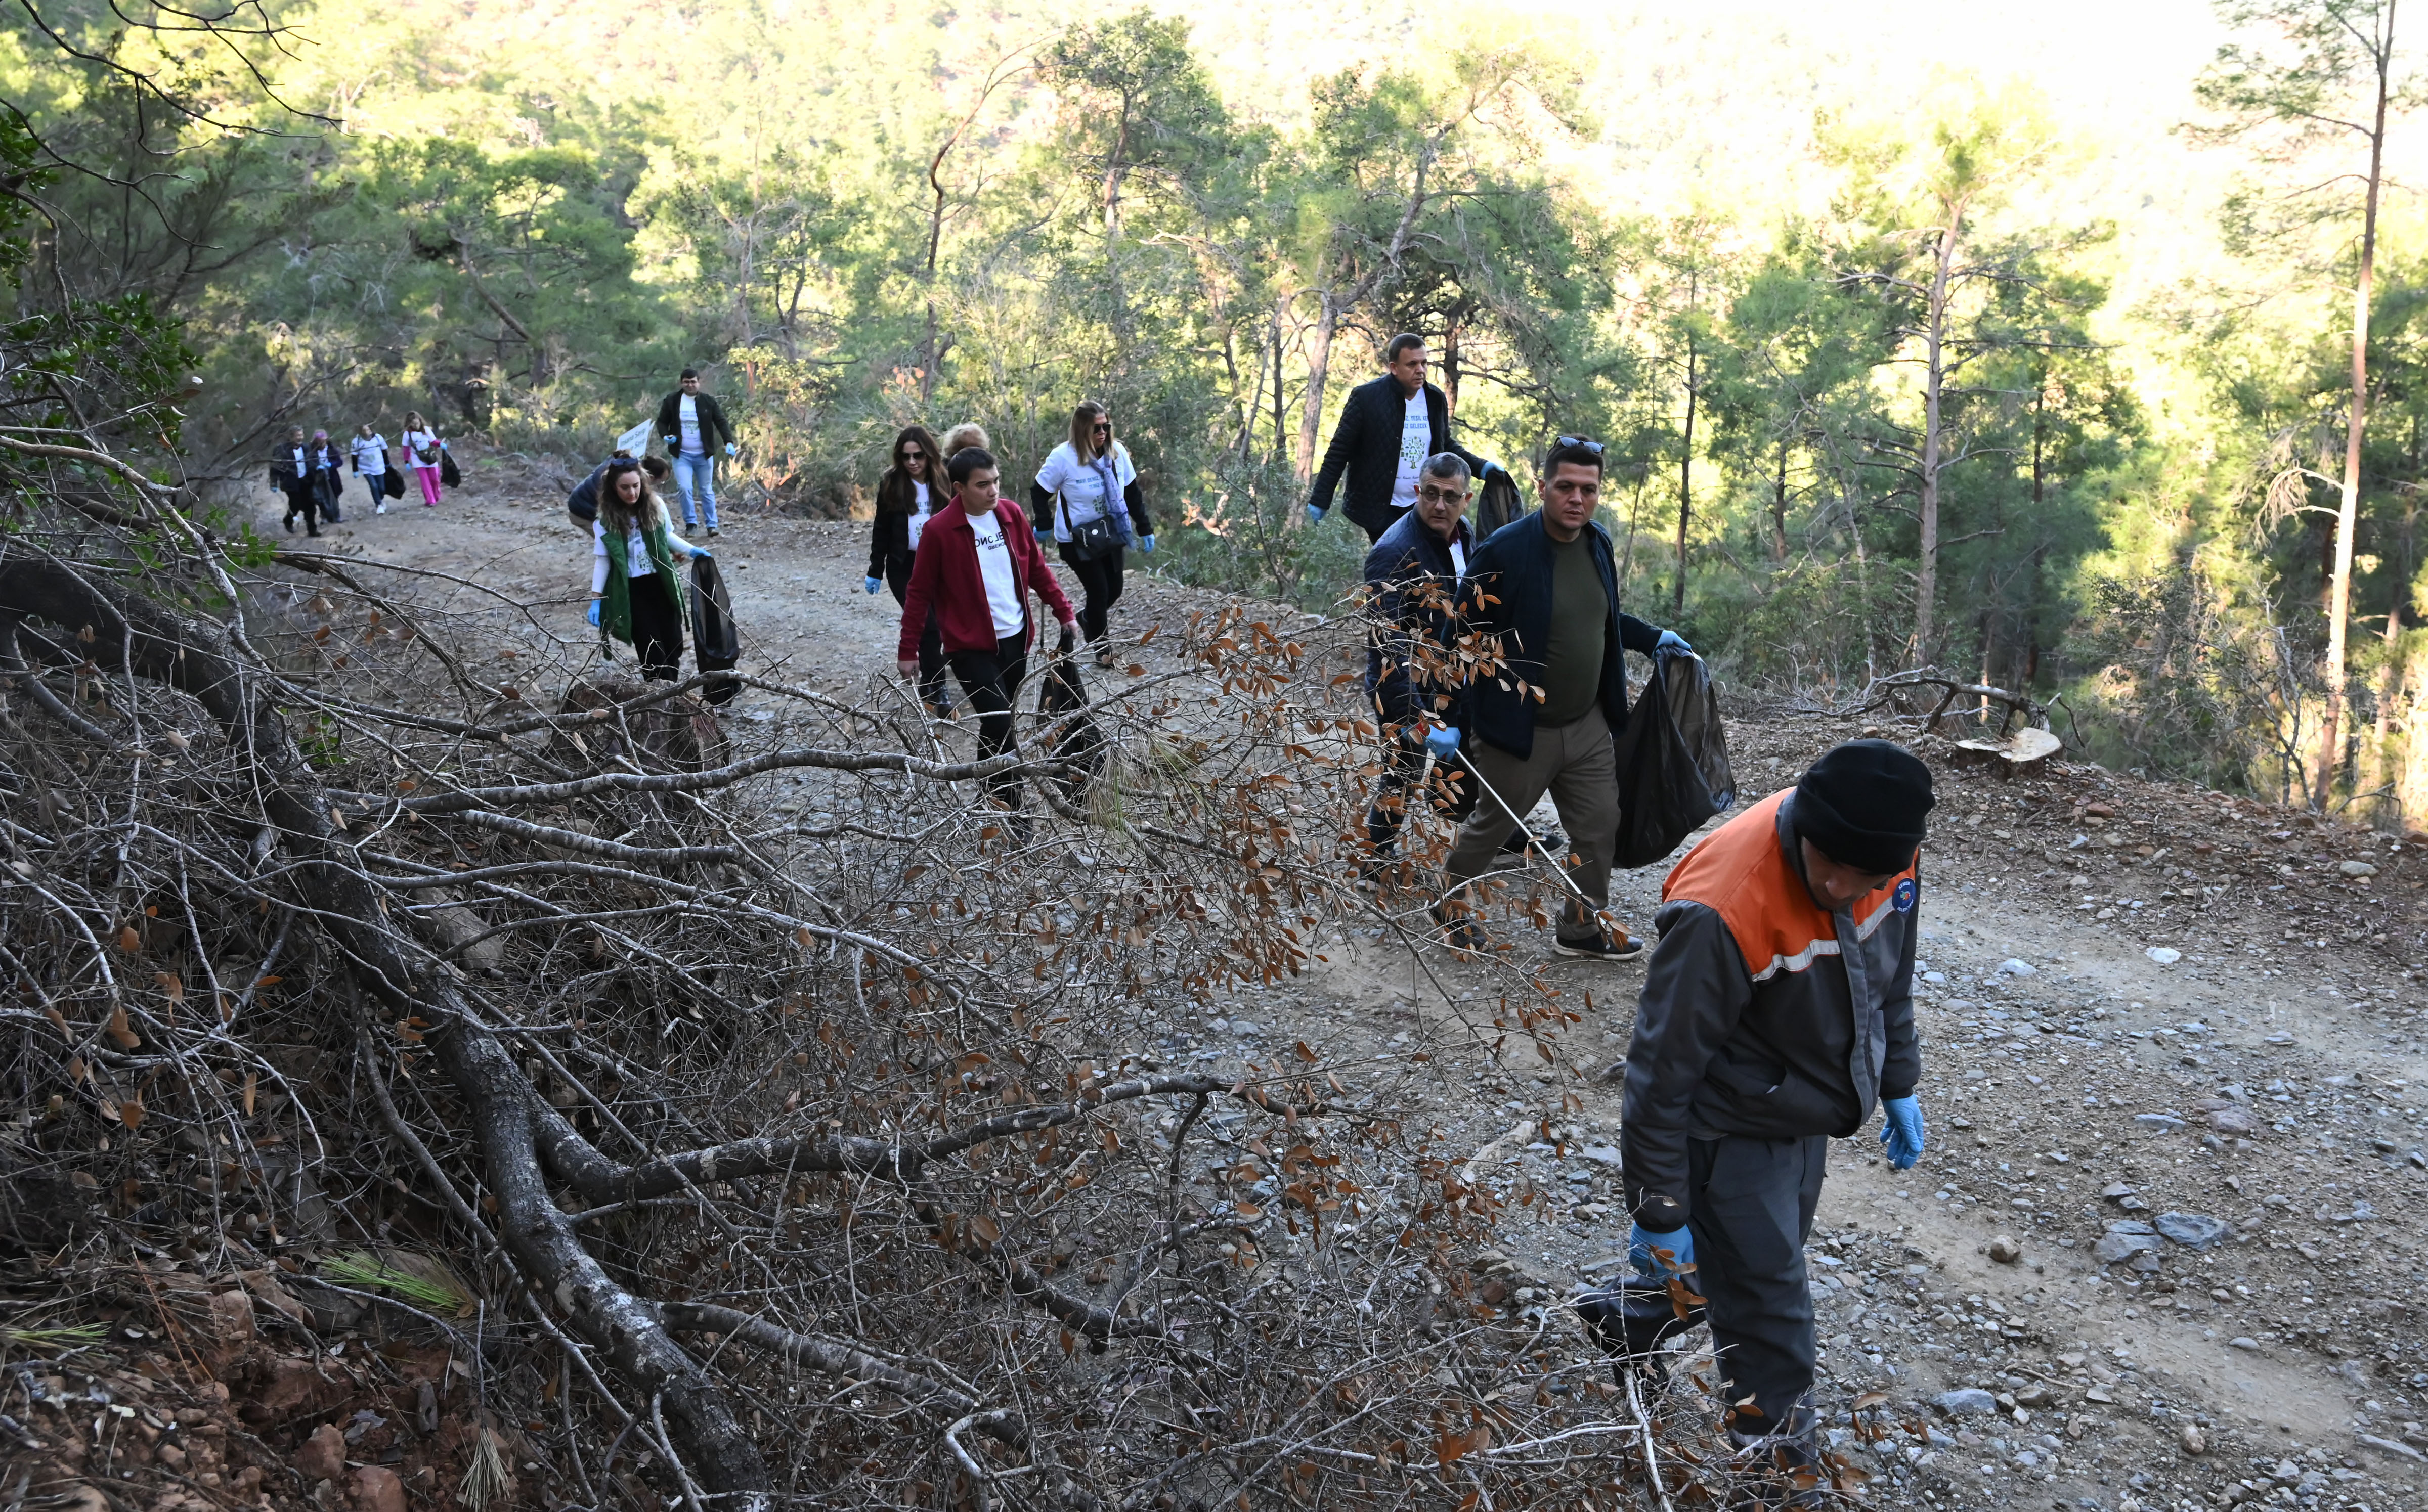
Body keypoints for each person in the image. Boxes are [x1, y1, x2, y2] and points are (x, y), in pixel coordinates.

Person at [1581, 739, 1933, 1500]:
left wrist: (1897, 1077)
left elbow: (1889, 976)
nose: (1838, 884)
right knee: (1773, 1318)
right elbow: (1659, 1074)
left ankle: (1629, 1319)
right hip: (1725, 1126)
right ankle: (1775, 1483)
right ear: (1806, 822)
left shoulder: (1888, 858)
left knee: (1734, 1277)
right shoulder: (1723, 907)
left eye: (1862, 875)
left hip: (1797, 1109)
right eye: (1825, 862)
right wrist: (1661, 1209)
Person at [1429, 435, 1692, 961]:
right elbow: (1458, 637)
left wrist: (1652, 637)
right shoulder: (1504, 550)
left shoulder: (1597, 542)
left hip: (1587, 722)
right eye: (1566, 487)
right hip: (1521, 730)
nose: (1577, 498)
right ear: (1543, 485)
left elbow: (1602, 618)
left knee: (1598, 827)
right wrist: (1448, 717)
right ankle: (1450, 905)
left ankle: (1582, 925)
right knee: (1491, 826)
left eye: (1588, 489)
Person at [896, 447, 1079, 837]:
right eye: (983, 485)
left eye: (996, 481)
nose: (993, 490)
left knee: (1000, 726)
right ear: (960, 488)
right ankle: (1014, 812)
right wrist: (908, 650)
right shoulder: (939, 532)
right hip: (969, 648)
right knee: (1001, 723)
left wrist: (1064, 610)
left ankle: (987, 787)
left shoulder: (1011, 516)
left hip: (1015, 639)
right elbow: (918, 593)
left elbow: (1038, 570)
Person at [1358, 453, 1476, 884]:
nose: (1439, 505)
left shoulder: (1464, 534)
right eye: (1431, 494)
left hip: (1448, 676)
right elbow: (1386, 648)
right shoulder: (1392, 553)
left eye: (1450, 496)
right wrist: (1417, 719)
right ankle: (1375, 859)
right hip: (1400, 683)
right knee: (1404, 767)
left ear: (1466, 498)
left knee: (1477, 754)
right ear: (1417, 491)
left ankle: (1500, 838)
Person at [1306, 333, 1508, 544]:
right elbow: (1339, 451)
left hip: (1424, 504)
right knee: (1397, 564)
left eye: (1424, 363)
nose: (1420, 370)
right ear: (1394, 368)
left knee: (1425, 566)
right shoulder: (1367, 398)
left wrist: (1481, 467)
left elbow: (1444, 445)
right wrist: (1321, 499)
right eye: (1412, 364)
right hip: (1381, 509)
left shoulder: (1434, 399)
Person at [1031, 401, 1154, 668]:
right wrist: (1043, 523)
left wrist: (1144, 527)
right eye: (1096, 428)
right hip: (1078, 539)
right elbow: (1039, 491)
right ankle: (1103, 649)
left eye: (1106, 427)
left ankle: (1088, 619)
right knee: (1098, 591)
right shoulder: (1063, 457)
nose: (1102, 433)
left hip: (1111, 532)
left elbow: (1132, 492)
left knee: (1115, 589)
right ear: (1082, 429)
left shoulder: (1117, 453)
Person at [586, 458, 706, 682]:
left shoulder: (656, 505)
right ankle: (661, 696)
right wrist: (596, 600)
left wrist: (692, 551)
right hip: (632, 589)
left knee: (673, 643)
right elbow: (603, 561)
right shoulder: (604, 522)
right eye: (625, 487)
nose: (632, 492)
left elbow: (667, 536)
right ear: (614, 488)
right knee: (650, 648)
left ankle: (670, 690)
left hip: (661, 582)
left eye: (636, 486)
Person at [864, 425, 951, 714]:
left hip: (940, 564)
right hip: (905, 566)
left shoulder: (945, 479)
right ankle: (940, 688)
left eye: (918, 456)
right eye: (906, 457)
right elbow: (882, 529)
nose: (912, 462)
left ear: (929, 455)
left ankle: (930, 681)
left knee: (937, 627)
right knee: (926, 625)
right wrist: (875, 569)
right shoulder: (892, 484)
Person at [655, 368, 738, 535]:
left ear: (699, 383)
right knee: (685, 488)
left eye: (693, 382)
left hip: (703, 454)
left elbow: (721, 422)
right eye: (687, 382)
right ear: (682, 383)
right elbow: (662, 422)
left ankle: (712, 525)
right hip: (682, 454)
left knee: (706, 490)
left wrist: (729, 442)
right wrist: (666, 436)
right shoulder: (672, 401)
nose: (690, 385)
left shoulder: (708, 402)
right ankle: (691, 524)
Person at [568, 454, 670, 528]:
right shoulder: (620, 477)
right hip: (581, 510)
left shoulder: (627, 466)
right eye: (661, 482)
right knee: (613, 546)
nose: (632, 492)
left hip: (583, 501)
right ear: (651, 478)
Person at [270, 426, 318, 536]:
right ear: (291, 437)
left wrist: (317, 469)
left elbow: (313, 461)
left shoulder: (307, 447)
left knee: (311, 506)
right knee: (296, 504)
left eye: (302, 435)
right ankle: (288, 521)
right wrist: (274, 483)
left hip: (306, 481)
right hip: (290, 482)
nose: (300, 438)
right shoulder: (281, 450)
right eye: (298, 436)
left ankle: (312, 530)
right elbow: (275, 467)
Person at [398, 412, 446, 508]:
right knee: (425, 481)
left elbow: (433, 441)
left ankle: (436, 495)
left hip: (430, 458)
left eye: (417, 423)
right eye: (413, 424)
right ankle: (430, 500)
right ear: (409, 424)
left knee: (434, 479)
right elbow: (406, 449)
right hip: (418, 459)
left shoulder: (427, 430)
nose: (416, 426)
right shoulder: (407, 434)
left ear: (420, 421)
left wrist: (440, 444)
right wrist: (407, 461)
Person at [304, 430, 345, 526]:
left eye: (323, 441)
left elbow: (340, 462)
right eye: (319, 441)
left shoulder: (332, 450)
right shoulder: (312, 451)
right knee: (322, 498)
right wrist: (316, 467)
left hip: (332, 477)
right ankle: (324, 517)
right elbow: (308, 463)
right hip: (319, 478)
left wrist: (331, 464)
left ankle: (336, 516)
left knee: (334, 496)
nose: (321, 443)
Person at [350, 423, 390, 516]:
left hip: (379, 466)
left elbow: (384, 451)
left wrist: (387, 463)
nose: (367, 432)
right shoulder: (357, 442)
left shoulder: (378, 438)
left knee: (382, 488)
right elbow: (354, 456)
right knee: (374, 486)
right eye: (364, 431)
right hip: (366, 468)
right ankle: (379, 504)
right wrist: (355, 470)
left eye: (368, 430)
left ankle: (381, 499)